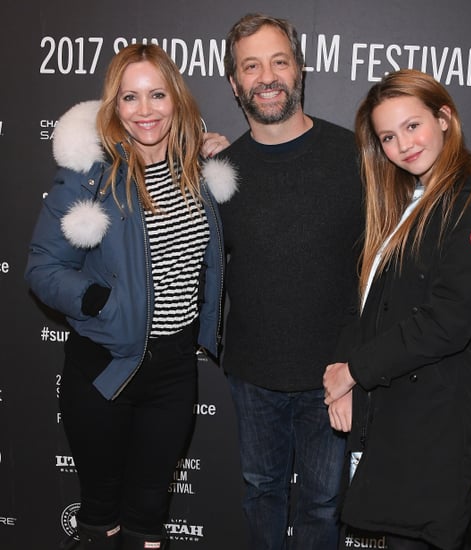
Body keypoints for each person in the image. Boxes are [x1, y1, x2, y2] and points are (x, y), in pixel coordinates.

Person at [25, 43, 234, 550]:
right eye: (130, 97)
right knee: (101, 511)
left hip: (173, 368)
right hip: (105, 365)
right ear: (113, 106)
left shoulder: (198, 172)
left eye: (157, 94)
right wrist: (96, 301)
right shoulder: (92, 173)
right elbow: (42, 267)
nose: (146, 111)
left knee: (148, 516)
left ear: (176, 99)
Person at [323, 69, 471, 550]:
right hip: (394, 414)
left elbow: (448, 321)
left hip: (433, 423)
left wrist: (355, 371)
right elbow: (373, 303)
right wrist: (347, 375)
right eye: (388, 136)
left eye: (412, 126)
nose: (403, 145)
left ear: (444, 118)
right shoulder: (407, 200)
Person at [217, 13, 364, 550]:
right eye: (251, 66)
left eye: (279, 61)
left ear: (300, 69)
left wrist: (354, 363)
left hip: (333, 376)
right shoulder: (220, 170)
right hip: (253, 375)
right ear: (235, 84)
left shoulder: (356, 156)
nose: (267, 75)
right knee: (261, 493)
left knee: (323, 506)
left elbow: (384, 265)